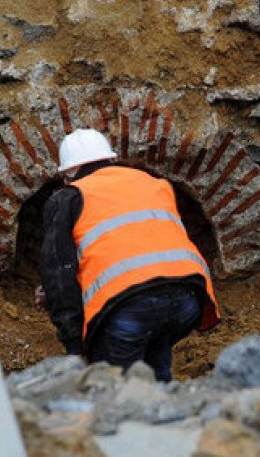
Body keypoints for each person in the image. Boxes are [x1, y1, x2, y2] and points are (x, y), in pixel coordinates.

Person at [36, 128, 220, 381]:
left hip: (131, 308)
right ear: (111, 161)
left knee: (116, 392)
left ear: (68, 174)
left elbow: (60, 276)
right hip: (187, 299)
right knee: (155, 372)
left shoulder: (68, 197)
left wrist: (75, 347)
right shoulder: (153, 183)